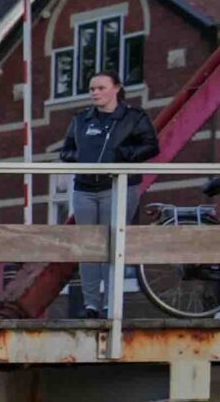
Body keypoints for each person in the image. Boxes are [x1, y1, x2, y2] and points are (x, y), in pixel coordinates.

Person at [54, 69, 161, 317]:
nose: (95, 93)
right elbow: (65, 151)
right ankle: (91, 304)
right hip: (85, 189)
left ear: (116, 89)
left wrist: (124, 157)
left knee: (114, 245)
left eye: (101, 88)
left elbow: (151, 146)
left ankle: (111, 304)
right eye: (92, 89)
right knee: (89, 248)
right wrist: (82, 159)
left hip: (119, 186)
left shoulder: (133, 117)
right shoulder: (81, 119)